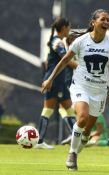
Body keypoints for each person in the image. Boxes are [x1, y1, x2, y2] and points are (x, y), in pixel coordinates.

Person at [41, 9, 109, 171]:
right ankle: (72, 154)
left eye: (108, 20)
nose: (106, 22)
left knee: (87, 132)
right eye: (103, 19)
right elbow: (64, 61)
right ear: (93, 23)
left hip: (100, 90)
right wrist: (50, 79)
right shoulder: (81, 41)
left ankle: (80, 143)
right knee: (82, 118)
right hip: (81, 85)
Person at [35, 17, 77, 149]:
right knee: (48, 109)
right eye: (68, 27)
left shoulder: (57, 42)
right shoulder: (57, 42)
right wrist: (82, 67)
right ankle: (39, 141)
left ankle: (75, 136)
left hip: (60, 81)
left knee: (68, 108)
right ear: (64, 27)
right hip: (55, 81)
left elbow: (49, 62)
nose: (69, 30)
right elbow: (66, 60)